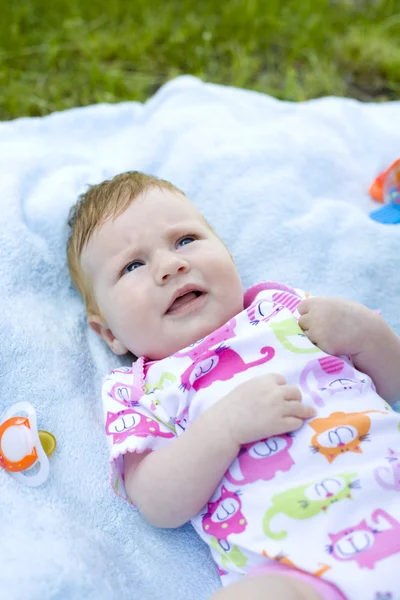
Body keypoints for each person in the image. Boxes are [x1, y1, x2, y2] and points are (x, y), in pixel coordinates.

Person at [67, 171, 400, 600]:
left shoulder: (285, 310)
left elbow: (391, 384)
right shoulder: (139, 390)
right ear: (109, 333)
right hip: (297, 570)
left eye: (185, 240)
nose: (172, 265)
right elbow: (156, 502)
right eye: (133, 265)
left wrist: (366, 333)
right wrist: (223, 429)